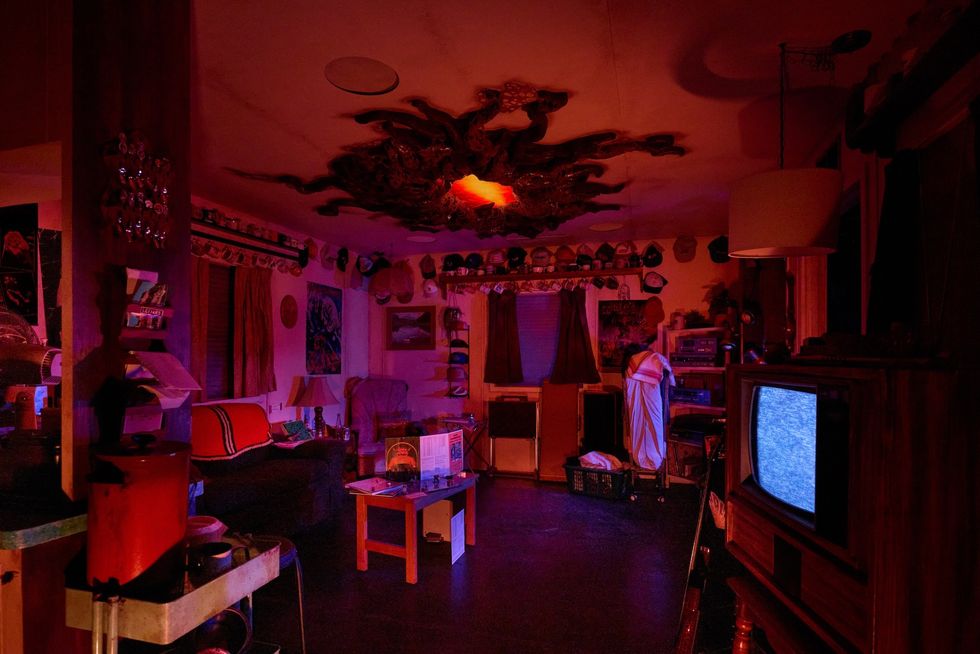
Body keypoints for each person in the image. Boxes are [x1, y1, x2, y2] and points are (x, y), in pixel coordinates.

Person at [623, 335, 674, 472]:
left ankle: (648, 459)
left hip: (650, 394)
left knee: (645, 423)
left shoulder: (633, 364)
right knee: (649, 423)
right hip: (649, 394)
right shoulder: (651, 359)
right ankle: (650, 459)